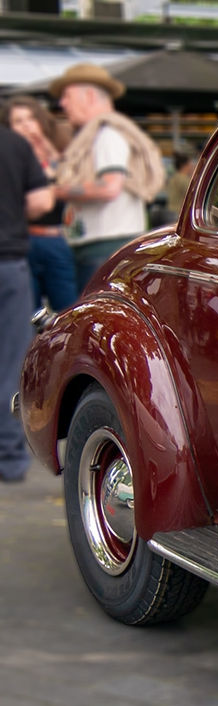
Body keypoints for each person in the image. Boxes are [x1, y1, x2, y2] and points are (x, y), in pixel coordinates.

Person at [49, 63, 163, 288]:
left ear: (89, 96)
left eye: (67, 96)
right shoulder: (101, 134)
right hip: (102, 249)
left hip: (103, 251)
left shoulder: (107, 135)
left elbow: (109, 187)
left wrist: (55, 191)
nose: (62, 103)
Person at [0, 124, 56, 483]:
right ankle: (8, 455)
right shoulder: (13, 143)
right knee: (8, 361)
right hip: (6, 264)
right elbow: (42, 202)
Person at [4, 96, 76, 313]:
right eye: (18, 121)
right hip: (24, 240)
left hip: (55, 238)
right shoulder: (10, 157)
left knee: (68, 309)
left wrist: (44, 146)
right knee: (27, 312)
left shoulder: (56, 151)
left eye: (31, 119)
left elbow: (67, 177)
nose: (26, 125)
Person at [163, 142, 200, 216]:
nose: (192, 166)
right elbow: (195, 196)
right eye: (190, 164)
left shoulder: (174, 177)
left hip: (170, 212)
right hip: (178, 214)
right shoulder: (184, 180)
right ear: (185, 165)